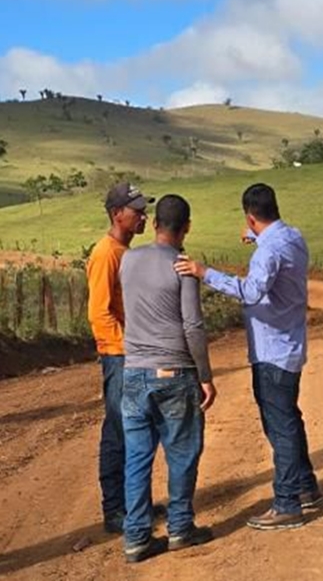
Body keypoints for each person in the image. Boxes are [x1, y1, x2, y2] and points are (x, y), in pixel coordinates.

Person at [175, 183, 320, 531]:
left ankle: (287, 504)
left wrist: (203, 272)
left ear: (250, 216)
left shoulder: (268, 252)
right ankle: (305, 486)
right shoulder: (292, 237)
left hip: (272, 350)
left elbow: (251, 292)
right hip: (289, 346)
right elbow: (273, 250)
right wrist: (257, 238)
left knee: (279, 425)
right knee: (290, 419)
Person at [119, 194, 216, 563]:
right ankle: (179, 528)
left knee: (137, 457)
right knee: (182, 452)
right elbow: (192, 326)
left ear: (156, 223)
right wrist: (205, 375)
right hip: (175, 371)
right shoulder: (183, 266)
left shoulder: (128, 260)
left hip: (133, 371)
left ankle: (136, 538)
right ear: (186, 226)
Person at [86, 181, 153, 534]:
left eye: (144, 210)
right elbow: (99, 313)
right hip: (119, 355)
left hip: (131, 354)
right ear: (117, 214)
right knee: (117, 430)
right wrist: (128, 350)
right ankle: (114, 509)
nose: (144, 216)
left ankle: (131, 502)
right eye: (137, 210)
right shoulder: (106, 253)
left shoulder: (124, 252)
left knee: (136, 429)